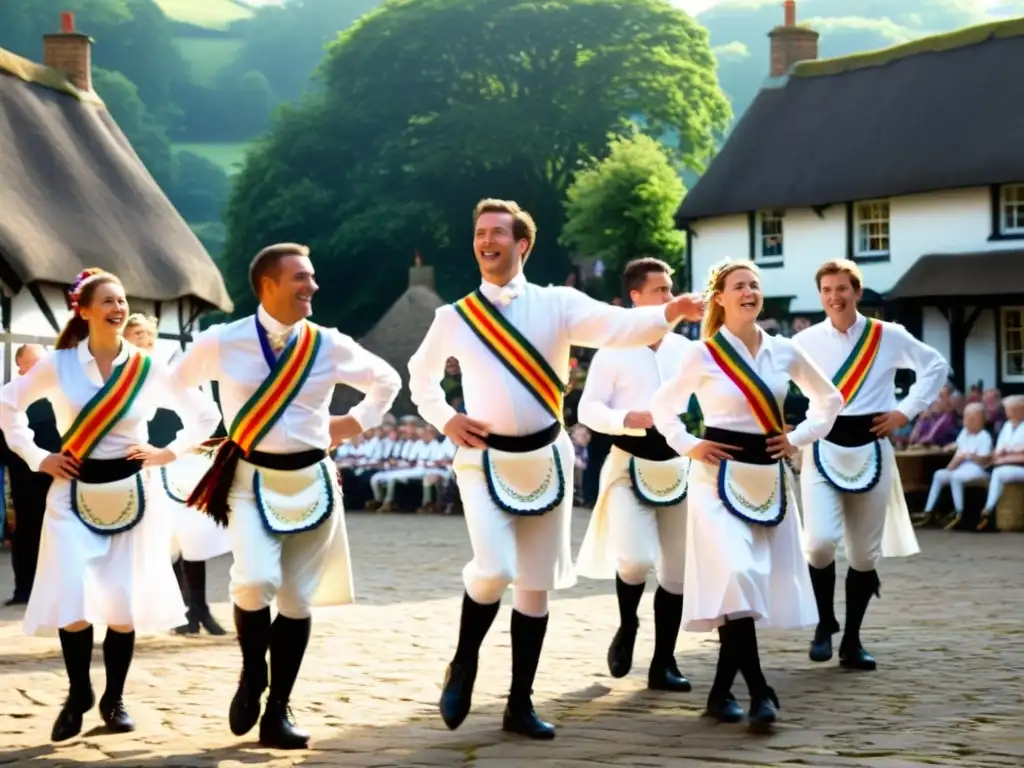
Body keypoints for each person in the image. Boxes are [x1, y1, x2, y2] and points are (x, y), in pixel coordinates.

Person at [407, 198, 705, 739]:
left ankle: (519, 704)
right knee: (494, 569)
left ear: (523, 244)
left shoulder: (559, 304)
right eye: (480, 232)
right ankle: (464, 662)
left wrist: (670, 311)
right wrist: (446, 419)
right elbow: (419, 376)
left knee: (536, 587)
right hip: (484, 459)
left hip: (548, 457)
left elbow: (619, 326)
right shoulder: (452, 318)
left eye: (498, 232)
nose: (486, 239)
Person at [170, 243, 401, 749]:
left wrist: (354, 422)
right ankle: (254, 675)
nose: (312, 286)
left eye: (312, 277)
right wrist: (212, 423)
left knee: (297, 600)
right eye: (301, 277)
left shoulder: (329, 343)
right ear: (268, 285)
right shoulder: (221, 341)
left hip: (313, 483)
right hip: (250, 481)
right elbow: (176, 382)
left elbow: (386, 380)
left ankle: (278, 709)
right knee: (254, 582)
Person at [0, 269, 221, 742]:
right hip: (71, 496)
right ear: (83, 310)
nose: (118, 308)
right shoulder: (58, 365)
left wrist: (170, 452)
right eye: (108, 300)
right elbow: (7, 405)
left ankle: (113, 699)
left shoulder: (147, 367)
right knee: (74, 598)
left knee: (122, 606)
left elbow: (206, 414)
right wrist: (39, 457)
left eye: (122, 300)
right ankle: (79, 692)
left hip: (134, 497)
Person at [650, 259, 843, 728]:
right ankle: (759, 690)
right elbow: (664, 408)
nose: (749, 292)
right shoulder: (703, 354)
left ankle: (720, 692)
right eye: (739, 286)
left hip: (768, 478)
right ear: (720, 298)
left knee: (747, 583)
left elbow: (830, 399)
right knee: (738, 573)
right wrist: (691, 445)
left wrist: (799, 437)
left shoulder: (784, 350)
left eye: (755, 285)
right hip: (716, 479)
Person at [792, 259, 947, 670]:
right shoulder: (804, 341)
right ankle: (825, 623)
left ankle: (853, 641)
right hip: (823, 446)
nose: (834, 297)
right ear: (820, 295)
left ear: (856, 292)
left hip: (873, 445)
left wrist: (906, 411)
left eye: (841, 288)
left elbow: (935, 365)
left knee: (864, 555)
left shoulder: (887, 335)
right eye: (826, 290)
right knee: (819, 540)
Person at [575, 258, 693, 693]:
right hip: (627, 466)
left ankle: (664, 662)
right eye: (660, 290)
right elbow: (588, 410)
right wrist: (629, 417)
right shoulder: (613, 351)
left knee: (678, 573)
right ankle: (627, 625)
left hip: (680, 468)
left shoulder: (689, 350)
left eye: (671, 288)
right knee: (636, 559)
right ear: (636, 298)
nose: (669, 296)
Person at [122, 313, 230, 636]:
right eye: (136, 333)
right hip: (146, 464)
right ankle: (181, 608)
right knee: (162, 542)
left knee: (193, 536)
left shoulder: (168, 372)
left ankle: (198, 607)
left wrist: (174, 449)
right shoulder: (121, 373)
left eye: (148, 334)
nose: (143, 339)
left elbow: (202, 414)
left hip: (181, 462)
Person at [2, 344, 60, 606]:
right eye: (34, 363)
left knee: (60, 533)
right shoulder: (10, 398)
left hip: (60, 477)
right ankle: (24, 590)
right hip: (25, 480)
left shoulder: (59, 396)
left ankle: (57, 589)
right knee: (27, 533)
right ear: (20, 367)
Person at [920, 402, 992, 528]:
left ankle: (959, 512)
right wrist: (953, 460)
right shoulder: (964, 433)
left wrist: (968, 456)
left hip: (978, 470)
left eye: (972, 419)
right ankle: (928, 511)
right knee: (939, 475)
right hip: (962, 467)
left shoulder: (984, 437)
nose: (967, 422)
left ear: (980, 420)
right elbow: (958, 452)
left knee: (956, 477)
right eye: (966, 418)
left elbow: (985, 461)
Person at [976, 395, 1024, 530]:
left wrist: (1005, 458)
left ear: (1019, 409)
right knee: (993, 471)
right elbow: (999, 449)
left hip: (1019, 468)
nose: (1007, 412)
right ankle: (987, 512)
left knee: (997, 473)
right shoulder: (1007, 425)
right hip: (1006, 466)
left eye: (1009, 409)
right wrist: (1002, 455)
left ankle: (988, 510)